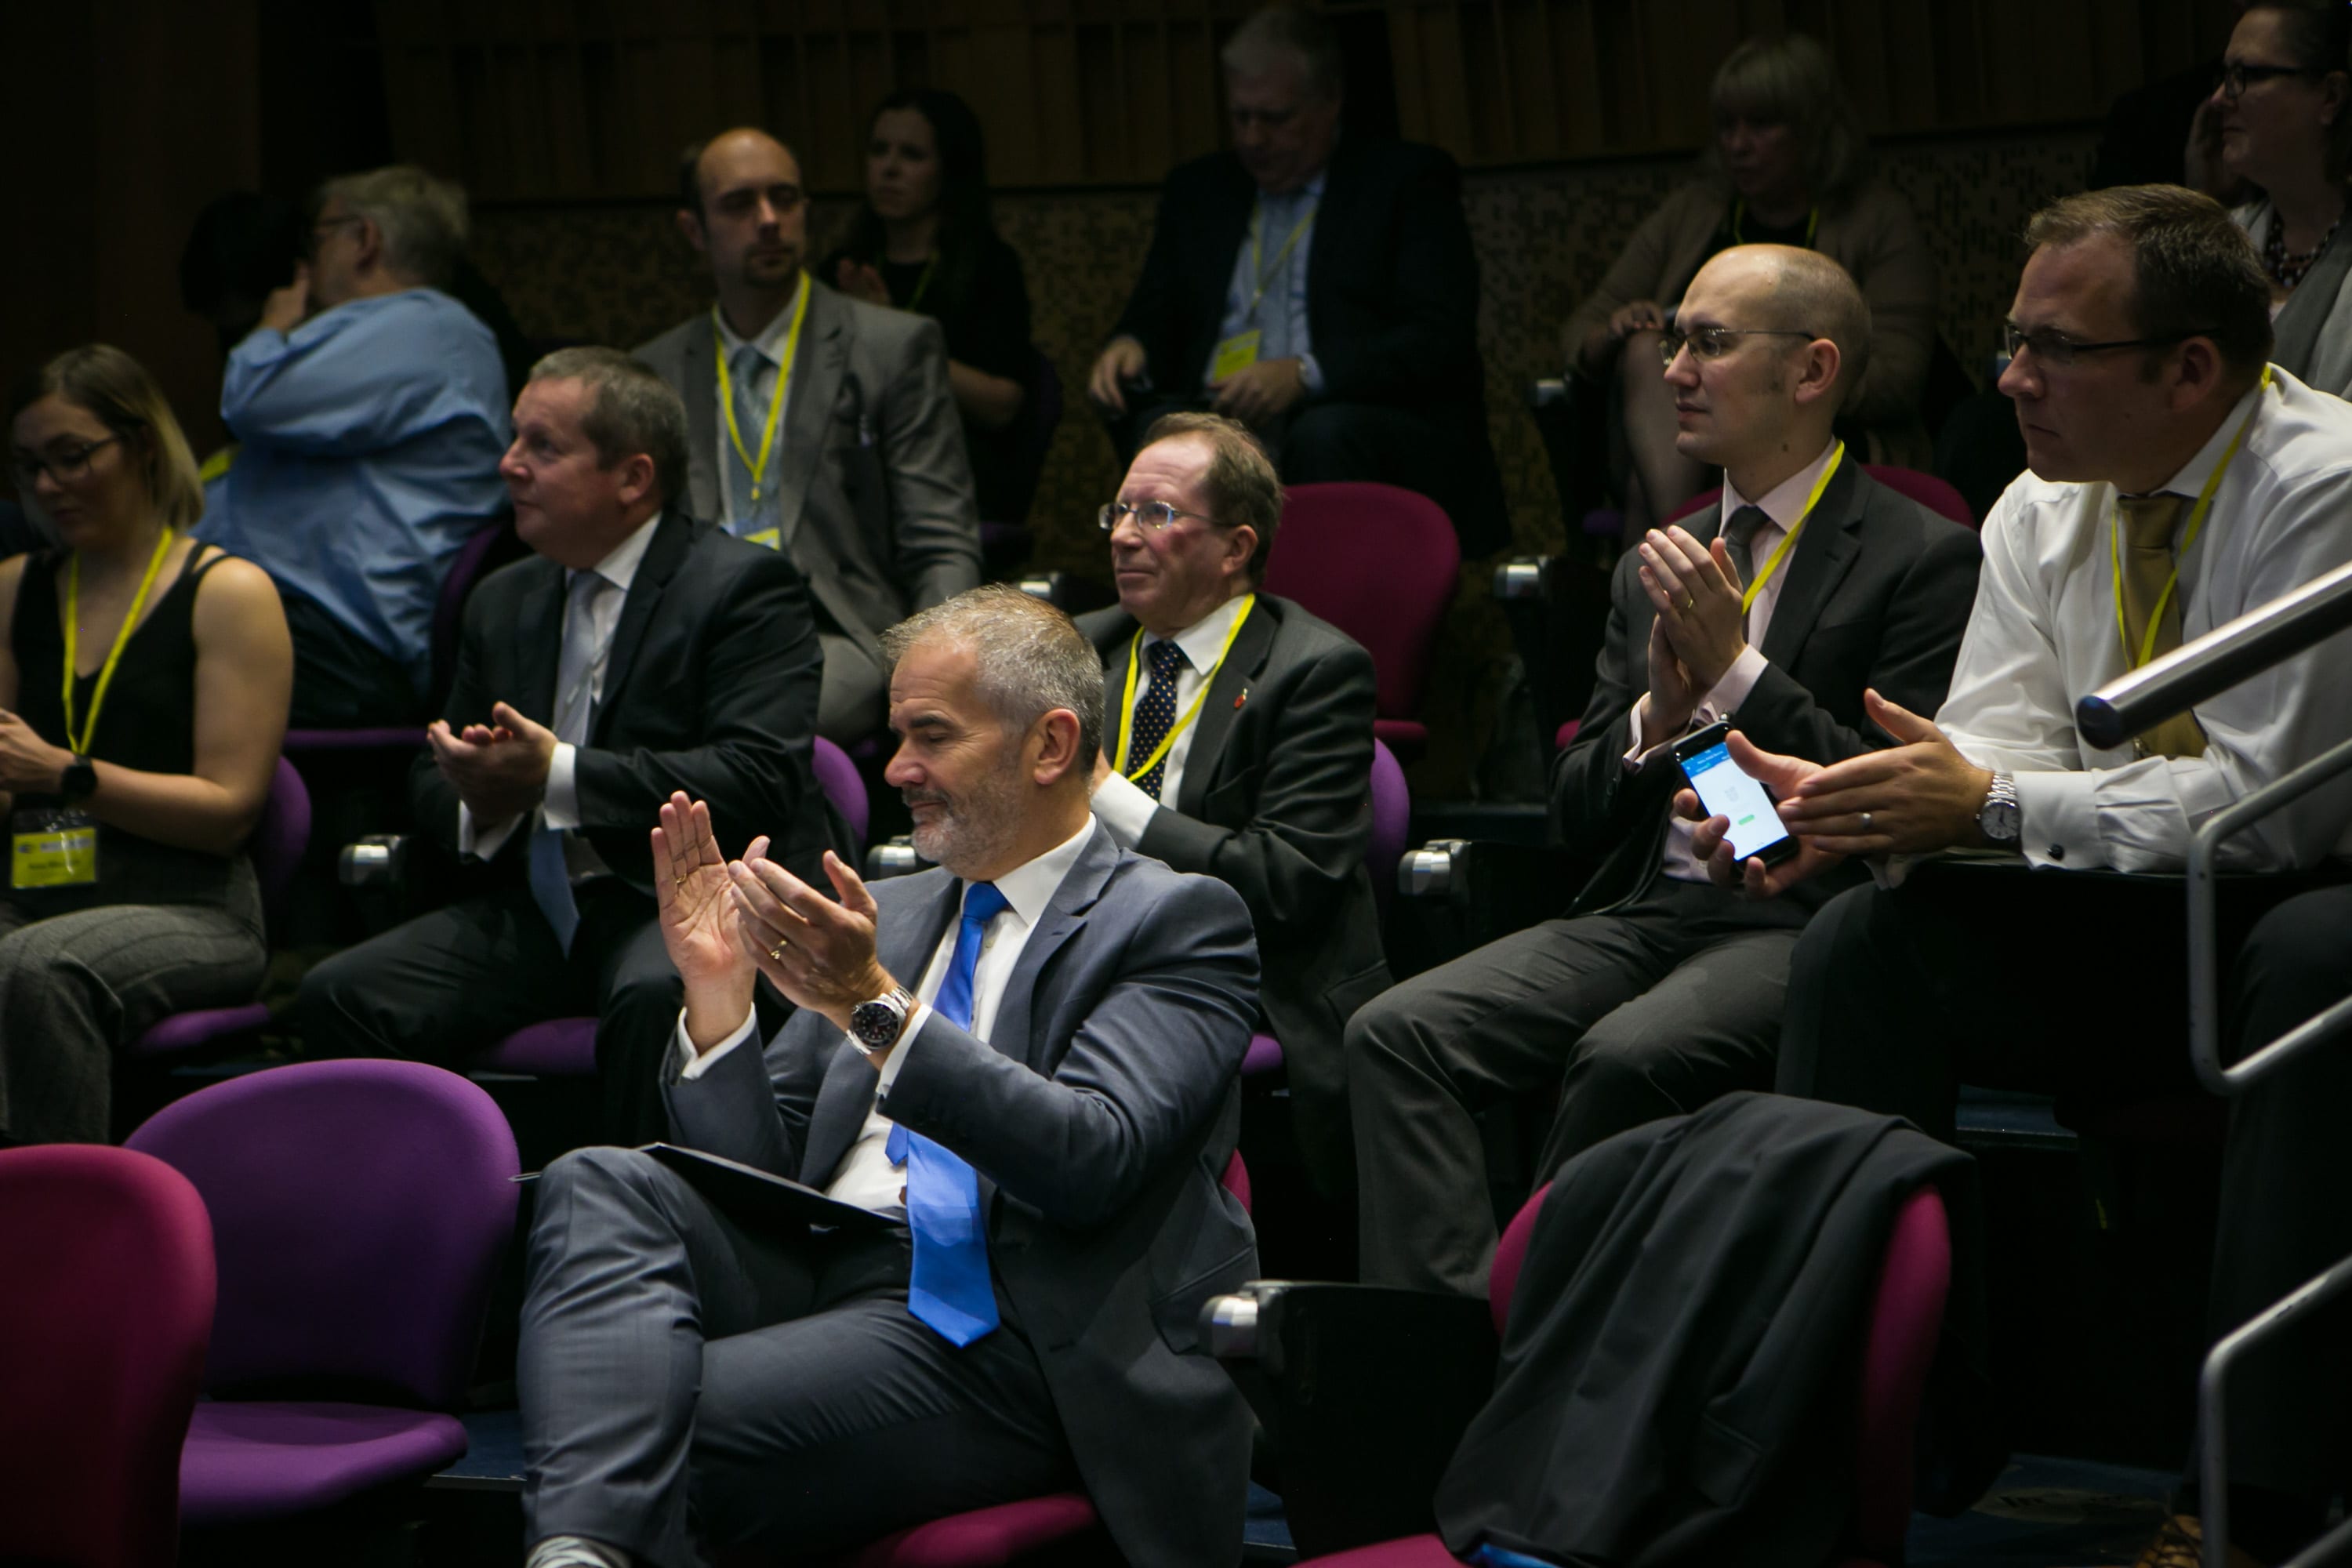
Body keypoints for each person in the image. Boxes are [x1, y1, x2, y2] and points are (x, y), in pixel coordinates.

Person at [1682, 187, 2352, 1566]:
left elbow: (2268, 813)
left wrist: (1983, 802)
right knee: (1866, 947)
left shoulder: (2324, 486)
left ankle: (2250, 1503)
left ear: (2190, 368)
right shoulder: (2039, 502)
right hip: (2137, 899)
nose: (2011, 380)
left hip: (2302, 892)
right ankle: (1884, 1425)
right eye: (2012, 339)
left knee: (2309, 965)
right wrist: (1860, 811)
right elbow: (1997, 750)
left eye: (2058, 349)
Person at [514, 586, 1261, 1568]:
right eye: (899, 734)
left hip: (1004, 1327)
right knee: (598, 1178)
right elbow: (760, 1171)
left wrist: (874, 1005)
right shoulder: (894, 910)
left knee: (635, 1413)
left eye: (932, 735)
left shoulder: (1176, 920)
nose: (897, 767)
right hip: (827, 1267)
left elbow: (1089, 1156)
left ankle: (579, 1544)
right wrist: (721, 1000)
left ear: (1049, 744)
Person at [1348, 247, 1981, 1297]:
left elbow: (1892, 795)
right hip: (1651, 909)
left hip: (1808, 924)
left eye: (1709, 343)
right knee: (1396, 1032)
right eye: (1677, 340)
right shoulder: (1669, 554)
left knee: (1626, 1056)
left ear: (1813, 369)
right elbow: (1575, 809)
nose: (1675, 369)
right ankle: (1460, 1339)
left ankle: (1553, 1335)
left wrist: (1736, 673)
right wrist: (1660, 716)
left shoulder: (1923, 554)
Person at [299, 348, 848, 1146]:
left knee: (657, 996)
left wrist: (551, 776)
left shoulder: (743, 588)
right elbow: (427, 771)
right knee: (339, 994)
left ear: (633, 477)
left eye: (543, 447)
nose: (509, 464)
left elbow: (754, 776)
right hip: (539, 906)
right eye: (515, 438)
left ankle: (643, 1213)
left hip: (690, 903)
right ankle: (439, 1209)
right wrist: (478, 798)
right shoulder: (502, 597)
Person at [1077, 412, 1389, 1197]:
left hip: (1243, 970)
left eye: (1157, 514)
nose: (1123, 536)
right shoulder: (1076, 653)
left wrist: (1105, 795)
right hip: (1079, 947)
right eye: (1120, 511)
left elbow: (1285, 880)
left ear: (1235, 547)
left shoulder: (1315, 670)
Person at [1084, 2, 1510, 558]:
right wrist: (1130, 344)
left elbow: (1437, 338)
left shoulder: (1402, 182)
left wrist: (1304, 374)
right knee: (1161, 431)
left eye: (1275, 118)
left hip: (1358, 415)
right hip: (1221, 412)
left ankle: (1327, 604)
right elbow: (1155, 311)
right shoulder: (1200, 192)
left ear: (1329, 102)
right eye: (1241, 117)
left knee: (1322, 433)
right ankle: (1177, 604)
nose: (1253, 137)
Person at [0, 346, 292, 1145]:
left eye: (72, 457)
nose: (48, 486)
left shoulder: (228, 591)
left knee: (34, 967)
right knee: (28, 950)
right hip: (33, 888)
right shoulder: (16, 587)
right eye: (30, 466)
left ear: (143, 447)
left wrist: (67, 774)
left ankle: (59, 1206)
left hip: (188, 904)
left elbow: (228, 814)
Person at [637, 128, 982, 742]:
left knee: (754, 721)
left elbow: (940, 538)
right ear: (695, 230)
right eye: (740, 204)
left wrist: (936, 666)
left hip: (831, 631)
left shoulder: (890, 347)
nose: (769, 220)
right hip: (694, 630)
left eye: (784, 198)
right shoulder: (655, 371)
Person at [1562, 34, 1937, 544]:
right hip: (1687, 453)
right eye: (1726, 126)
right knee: (1648, 355)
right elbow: (1579, 334)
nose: (1737, 144)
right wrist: (1615, 331)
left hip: (1819, 437)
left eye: (1761, 125)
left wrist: (1761, 376)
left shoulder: (1876, 220)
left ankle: (1679, 551)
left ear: (1813, 129)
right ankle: (1682, 546)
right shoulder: (1692, 213)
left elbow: (1899, 376)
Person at [195, 165, 510, 728]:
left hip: (339, 641)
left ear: (364, 239)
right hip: (298, 619)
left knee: (119, 656)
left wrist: (270, 327)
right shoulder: (392, 332)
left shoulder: (422, 328)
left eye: (318, 239)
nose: (306, 264)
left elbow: (255, 398)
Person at [820, 89, 1038, 522]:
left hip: (954, 468)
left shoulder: (988, 266)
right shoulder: (844, 266)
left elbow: (1001, 405)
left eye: (912, 155)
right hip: (855, 464)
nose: (889, 168)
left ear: (949, 170)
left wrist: (891, 330)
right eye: (879, 151)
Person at [2213, 2, 2352, 396]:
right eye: (2225, 76)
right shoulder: (2222, 237)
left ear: (2330, 97)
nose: (2220, 99)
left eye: (2247, 76)